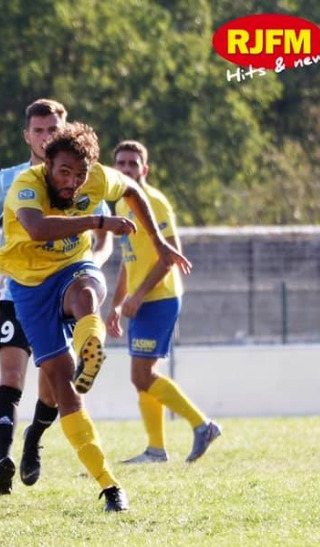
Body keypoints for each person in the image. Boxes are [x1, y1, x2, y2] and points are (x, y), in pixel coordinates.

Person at [0, 122, 192, 512]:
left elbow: (133, 190)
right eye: (64, 172)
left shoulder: (99, 178)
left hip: (73, 267)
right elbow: (36, 228)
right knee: (60, 387)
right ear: (47, 165)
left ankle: (111, 488)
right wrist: (99, 221)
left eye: (80, 175)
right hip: (30, 287)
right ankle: (46, 442)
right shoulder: (26, 184)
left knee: (87, 292)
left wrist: (159, 243)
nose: (72, 183)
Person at [0, 99, 113, 496]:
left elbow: (102, 235)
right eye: (39, 130)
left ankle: (34, 436)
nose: (46, 136)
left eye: (54, 129)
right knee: (11, 376)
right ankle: (3, 458)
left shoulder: (83, 176)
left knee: (53, 383)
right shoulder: (10, 180)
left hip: (64, 285)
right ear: (27, 136)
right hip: (18, 291)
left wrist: (92, 263)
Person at [106, 140, 221, 463]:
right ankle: (156, 450)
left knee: (141, 375)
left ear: (144, 169)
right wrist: (116, 303)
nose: (126, 168)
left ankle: (203, 425)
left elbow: (170, 256)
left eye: (133, 163)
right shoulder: (122, 205)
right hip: (139, 302)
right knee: (143, 375)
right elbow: (128, 260)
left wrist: (139, 294)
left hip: (160, 298)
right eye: (121, 163)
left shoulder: (154, 202)